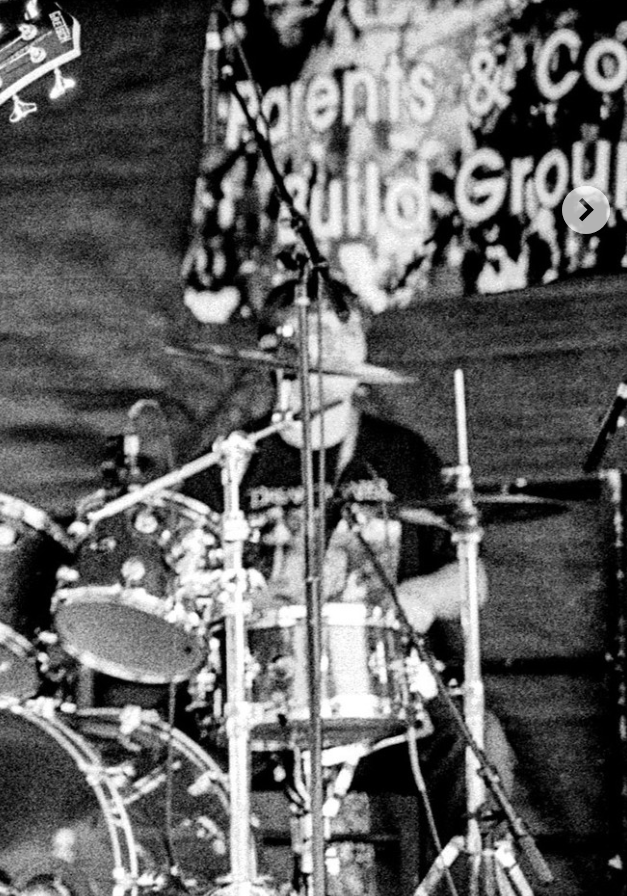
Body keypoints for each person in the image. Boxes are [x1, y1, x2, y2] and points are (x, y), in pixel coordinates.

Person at [184, 276, 512, 857]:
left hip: (388, 702)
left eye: (349, 328)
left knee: (475, 741)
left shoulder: (402, 454)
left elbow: (471, 578)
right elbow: (191, 587)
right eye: (320, 331)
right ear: (276, 350)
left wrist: (420, 597)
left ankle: (469, 882)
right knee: (175, 760)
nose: (341, 344)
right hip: (263, 703)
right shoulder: (232, 464)